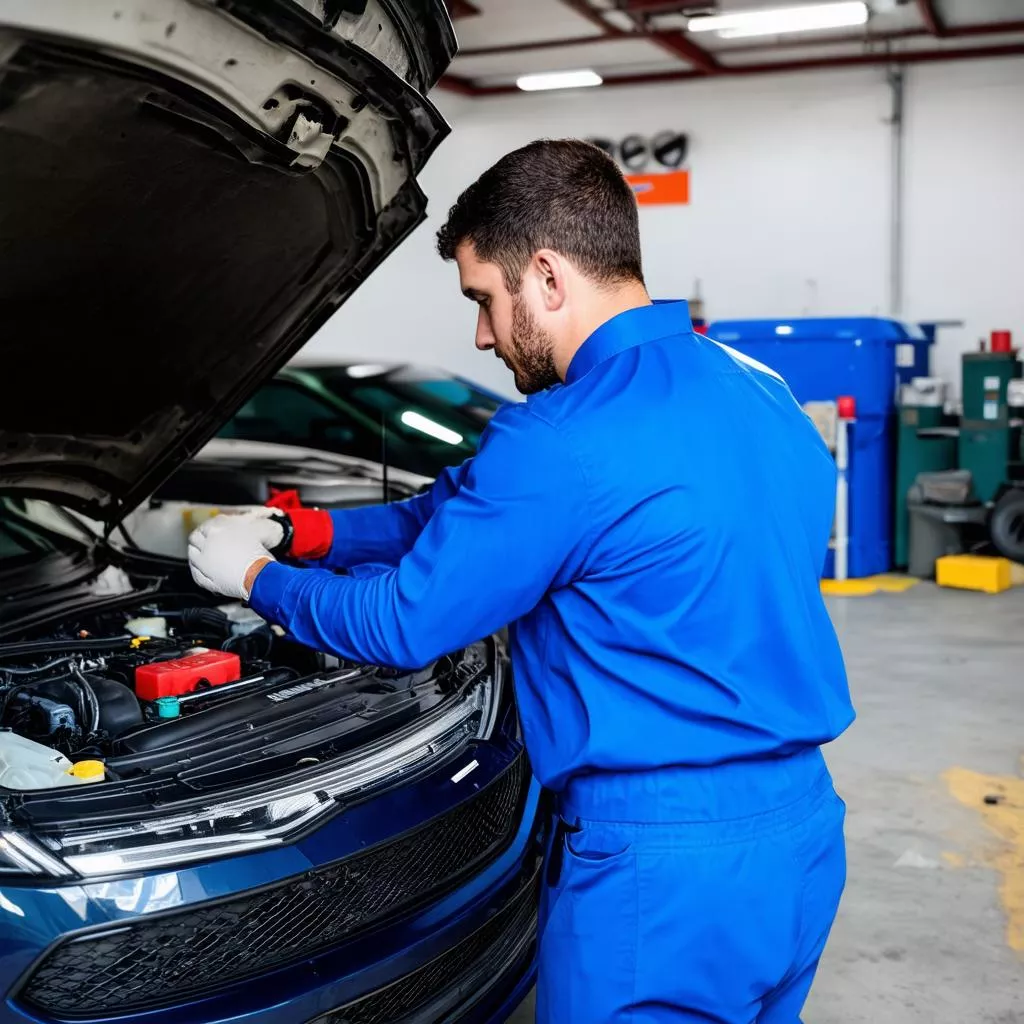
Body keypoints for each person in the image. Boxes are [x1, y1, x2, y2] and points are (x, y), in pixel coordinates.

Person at [188, 139, 854, 1023]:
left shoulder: (561, 438)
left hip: (661, 865)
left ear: (545, 275)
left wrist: (260, 580)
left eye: (483, 300)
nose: (482, 335)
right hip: (804, 838)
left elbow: (403, 623)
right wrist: (314, 531)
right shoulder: (761, 389)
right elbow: (461, 512)